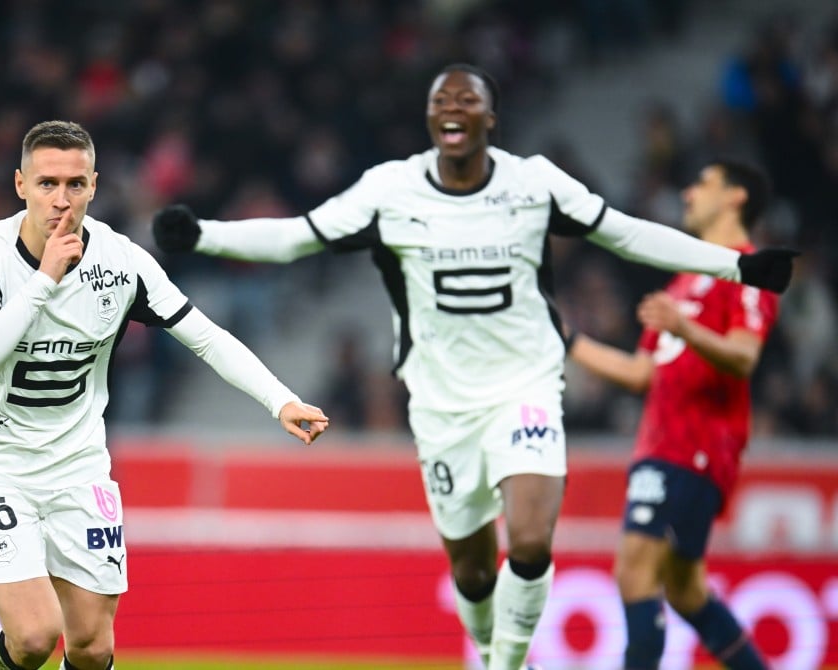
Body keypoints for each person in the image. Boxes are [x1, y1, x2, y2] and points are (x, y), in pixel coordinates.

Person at [151, 63, 796, 670]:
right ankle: (492, 651)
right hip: (441, 405)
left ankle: (505, 664)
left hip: (526, 386)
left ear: (491, 118)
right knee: (474, 573)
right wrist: (205, 234)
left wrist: (737, 266)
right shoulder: (389, 190)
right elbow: (298, 236)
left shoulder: (534, 184)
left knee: (533, 541)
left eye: (468, 99)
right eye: (441, 99)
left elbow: (624, 232)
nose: (452, 107)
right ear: (430, 117)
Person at [0, 120, 328, 670]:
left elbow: (205, 336)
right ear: (20, 185)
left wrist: (280, 400)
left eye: (74, 184)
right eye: (46, 183)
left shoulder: (122, 262)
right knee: (36, 637)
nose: (61, 199)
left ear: (94, 186)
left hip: (78, 465)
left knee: (92, 647)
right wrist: (43, 281)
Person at [568, 159, 777, 669]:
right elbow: (640, 373)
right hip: (661, 446)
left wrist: (684, 328)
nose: (688, 193)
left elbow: (744, 356)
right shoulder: (682, 284)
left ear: (736, 197)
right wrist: (565, 339)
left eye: (702, 183)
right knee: (685, 590)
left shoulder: (748, 269)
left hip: (695, 447)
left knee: (634, 572)